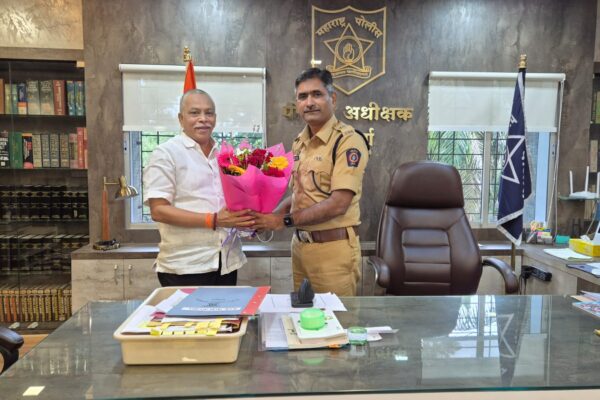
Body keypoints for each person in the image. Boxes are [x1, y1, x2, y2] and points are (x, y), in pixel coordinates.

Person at [251, 68, 369, 296]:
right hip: (300, 248)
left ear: (332, 98)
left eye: (317, 94)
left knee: (335, 316)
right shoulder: (299, 142)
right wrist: (268, 217)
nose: (309, 102)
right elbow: (299, 195)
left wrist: (283, 221)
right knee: (304, 314)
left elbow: (338, 204)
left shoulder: (348, 141)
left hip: (333, 251)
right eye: (302, 96)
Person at [143, 89, 254, 287]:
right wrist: (214, 220)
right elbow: (158, 210)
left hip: (227, 262)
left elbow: (232, 203)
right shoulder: (166, 153)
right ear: (181, 118)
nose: (203, 119)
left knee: (227, 310)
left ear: (215, 118)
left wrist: (247, 221)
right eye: (194, 113)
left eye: (209, 113)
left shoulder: (225, 155)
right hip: (186, 266)